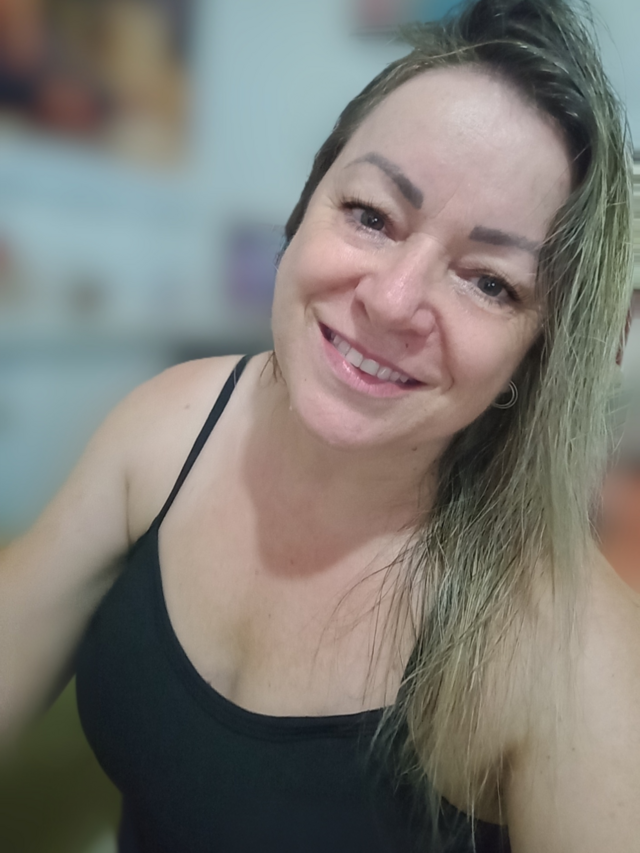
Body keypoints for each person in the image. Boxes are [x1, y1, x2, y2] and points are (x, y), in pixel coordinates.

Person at [1, 0, 638, 850]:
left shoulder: (568, 654)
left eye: (490, 281)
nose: (393, 300)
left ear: (535, 352)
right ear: (306, 205)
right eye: (371, 214)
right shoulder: (166, 426)